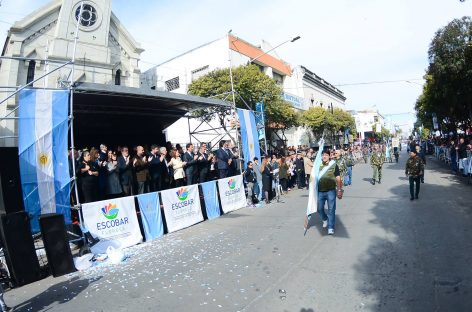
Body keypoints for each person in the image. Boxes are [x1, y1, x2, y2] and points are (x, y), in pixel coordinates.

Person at [316, 148, 343, 235]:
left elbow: (338, 178)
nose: (324, 156)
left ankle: (331, 227)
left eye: (326, 155)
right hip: (320, 191)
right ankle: (325, 219)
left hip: (331, 191)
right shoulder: (318, 165)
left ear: (329, 156)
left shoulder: (334, 165)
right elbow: (313, 177)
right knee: (319, 209)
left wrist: (339, 190)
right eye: (323, 155)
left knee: (331, 209)